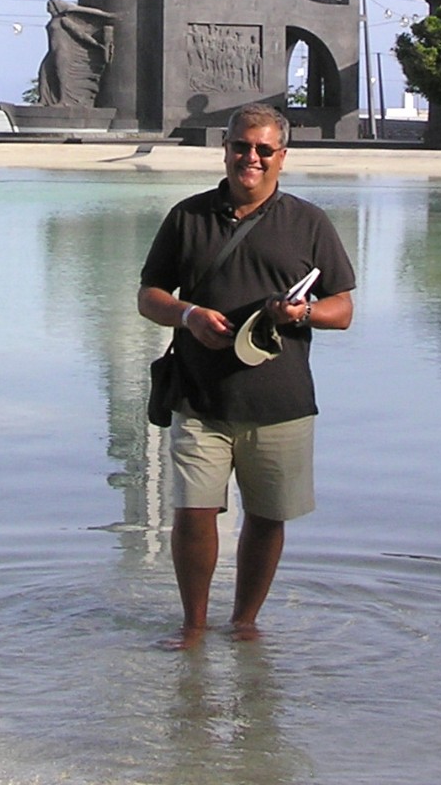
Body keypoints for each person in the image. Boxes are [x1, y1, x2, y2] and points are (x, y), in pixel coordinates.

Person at [137, 103, 356, 648]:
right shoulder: (187, 217)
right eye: (241, 147)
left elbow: (343, 310)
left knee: (266, 516)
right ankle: (192, 627)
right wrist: (189, 315)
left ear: (282, 156)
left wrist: (300, 313)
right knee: (193, 513)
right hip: (199, 397)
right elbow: (149, 296)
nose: (251, 158)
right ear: (226, 149)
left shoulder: (308, 222)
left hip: (280, 400)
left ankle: (244, 623)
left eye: (263, 149)